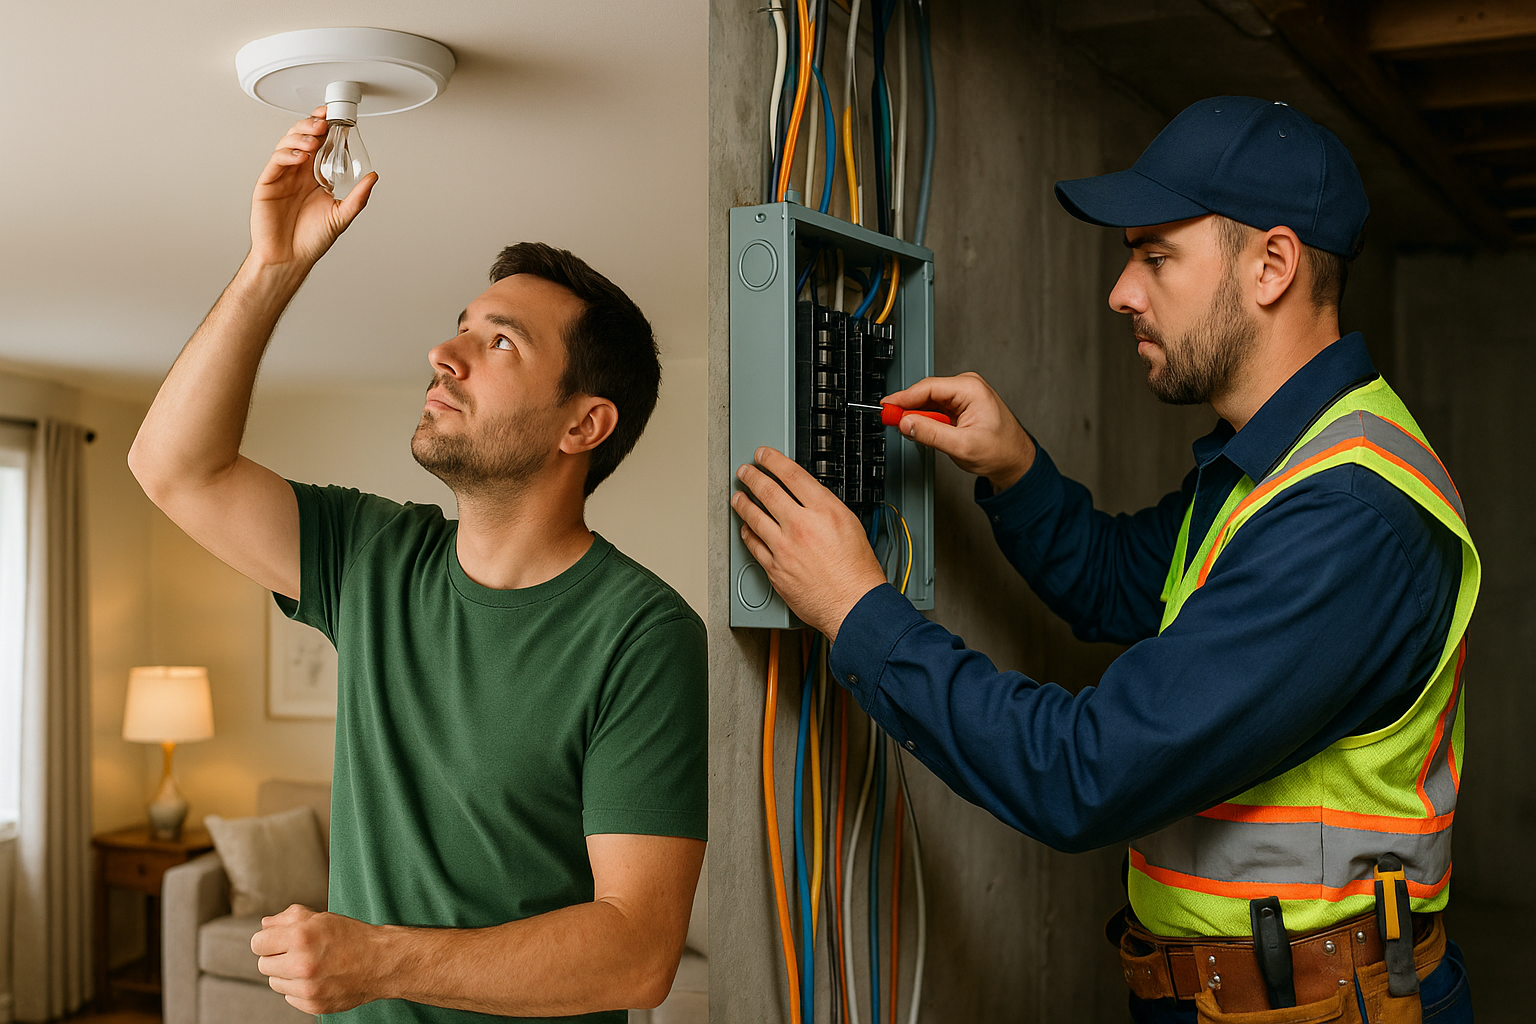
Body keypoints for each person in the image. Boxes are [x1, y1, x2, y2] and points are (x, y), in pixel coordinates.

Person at [733, 96, 1476, 1021]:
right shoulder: (1279, 461)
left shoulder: (1347, 517)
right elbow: (1126, 587)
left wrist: (857, 610)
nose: (1122, 291)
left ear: (1272, 265)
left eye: (1156, 255)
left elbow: (1087, 773)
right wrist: (1016, 469)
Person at [130, 108, 707, 1022]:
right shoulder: (374, 556)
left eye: (500, 342)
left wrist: (378, 959)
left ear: (583, 424)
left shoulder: (642, 633)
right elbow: (173, 468)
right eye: (462, 329)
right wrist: (272, 268)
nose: (445, 354)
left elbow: (638, 953)